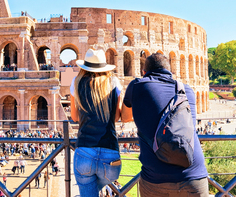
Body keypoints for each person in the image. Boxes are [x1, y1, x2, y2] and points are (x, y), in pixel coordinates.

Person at [123, 53, 208, 197]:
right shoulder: (187, 90)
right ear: (170, 71)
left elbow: (125, 117)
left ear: (144, 72)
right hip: (195, 175)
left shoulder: (137, 86)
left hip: (156, 178)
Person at [70, 49, 128, 197]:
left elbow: (75, 117)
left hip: (84, 152)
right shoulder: (113, 82)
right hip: (110, 156)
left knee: (88, 191)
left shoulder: (76, 82)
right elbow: (116, 117)